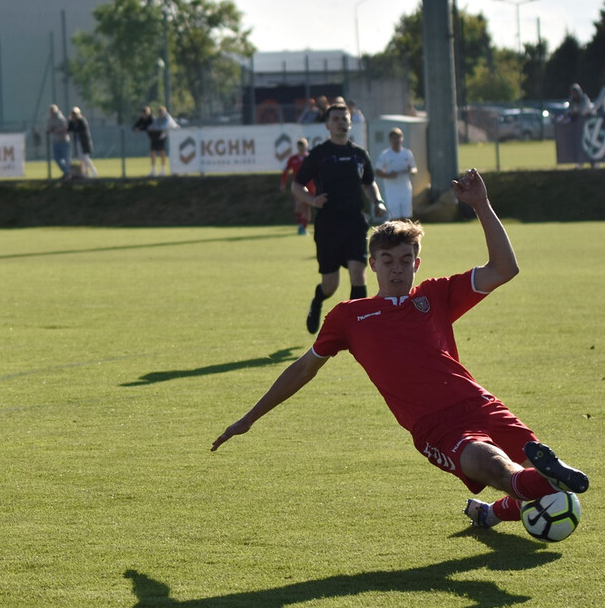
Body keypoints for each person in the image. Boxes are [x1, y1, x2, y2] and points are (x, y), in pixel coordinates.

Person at [212, 169, 590, 536]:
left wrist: (481, 204)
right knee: (495, 467)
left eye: (406, 260)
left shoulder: (435, 295)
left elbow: (504, 268)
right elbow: (304, 368)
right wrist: (250, 417)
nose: (397, 270)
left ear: (417, 263)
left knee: (548, 488)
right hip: (436, 427)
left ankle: (494, 511)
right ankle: (541, 481)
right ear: (373, 264)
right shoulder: (349, 316)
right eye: (388, 261)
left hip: (479, 403)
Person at [294, 102, 386, 334]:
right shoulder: (319, 154)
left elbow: (369, 183)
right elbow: (297, 185)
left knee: (358, 272)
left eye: (344, 119)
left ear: (350, 122)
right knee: (330, 285)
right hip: (327, 226)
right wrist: (312, 200)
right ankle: (317, 301)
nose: (341, 123)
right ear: (327, 124)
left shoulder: (359, 155)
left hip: (355, 222)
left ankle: (359, 328)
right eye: (335, 119)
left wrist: (378, 201)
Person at [374, 127, 418, 220]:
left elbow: (414, 169)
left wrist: (411, 171)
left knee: (407, 216)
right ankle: (394, 234)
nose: (397, 140)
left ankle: (406, 235)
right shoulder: (385, 154)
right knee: (395, 217)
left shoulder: (407, 153)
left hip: (405, 188)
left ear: (402, 138)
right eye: (394, 138)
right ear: (390, 140)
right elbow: (377, 171)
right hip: (392, 190)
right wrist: (389, 175)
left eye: (398, 137)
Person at [280, 137, 313, 235]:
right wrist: (283, 183)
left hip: (310, 186)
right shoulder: (293, 159)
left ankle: (304, 228)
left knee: (307, 207)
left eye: (303, 145)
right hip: (298, 186)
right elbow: (286, 171)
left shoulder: (310, 158)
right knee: (299, 204)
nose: (301, 147)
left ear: (306, 146)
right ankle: (300, 226)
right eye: (299, 145)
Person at [148, 106, 178, 176]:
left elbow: (165, 126)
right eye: (160, 114)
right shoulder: (158, 118)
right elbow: (153, 125)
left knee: (172, 152)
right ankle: (153, 171)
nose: (161, 115)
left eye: (162, 113)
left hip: (175, 135)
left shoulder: (167, 118)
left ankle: (164, 170)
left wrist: (154, 129)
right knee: (154, 150)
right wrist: (150, 128)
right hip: (164, 135)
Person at [68, 106, 97, 178]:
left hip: (84, 142)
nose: (74, 116)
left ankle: (93, 170)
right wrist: (70, 121)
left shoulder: (82, 121)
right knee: (81, 158)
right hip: (78, 142)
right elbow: (69, 129)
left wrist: (73, 123)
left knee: (85, 157)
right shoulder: (73, 122)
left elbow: (79, 129)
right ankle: (85, 173)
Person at [47, 104, 71, 179]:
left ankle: (68, 173)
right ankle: (66, 172)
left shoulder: (61, 118)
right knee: (57, 158)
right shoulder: (51, 118)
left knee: (66, 158)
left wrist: (56, 130)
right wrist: (51, 130)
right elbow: (49, 128)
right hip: (56, 141)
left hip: (63, 141)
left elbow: (64, 129)